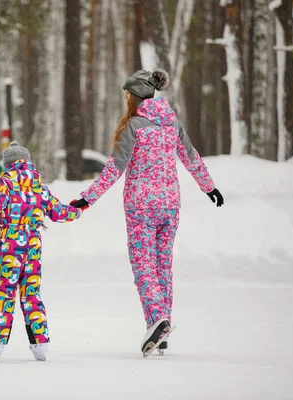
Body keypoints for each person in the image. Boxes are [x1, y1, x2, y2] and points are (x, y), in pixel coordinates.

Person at [70, 69, 224, 357]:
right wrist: (209, 187)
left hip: (141, 206)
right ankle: (161, 332)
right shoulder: (172, 123)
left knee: (144, 267)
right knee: (162, 267)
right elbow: (191, 158)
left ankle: (157, 319)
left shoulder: (135, 126)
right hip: (169, 205)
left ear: (136, 95)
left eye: (127, 94)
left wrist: (87, 199)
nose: (126, 98)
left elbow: (115, 168)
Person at [0, 141, 82, 362]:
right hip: (33, 244)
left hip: (10, 242)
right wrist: (76, 211)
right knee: (32, 293)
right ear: (28, 162)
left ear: (7, 164)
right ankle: (40, 344)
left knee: (5, 291)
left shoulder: (7, 181)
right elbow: (58, 212)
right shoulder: (38, 184)